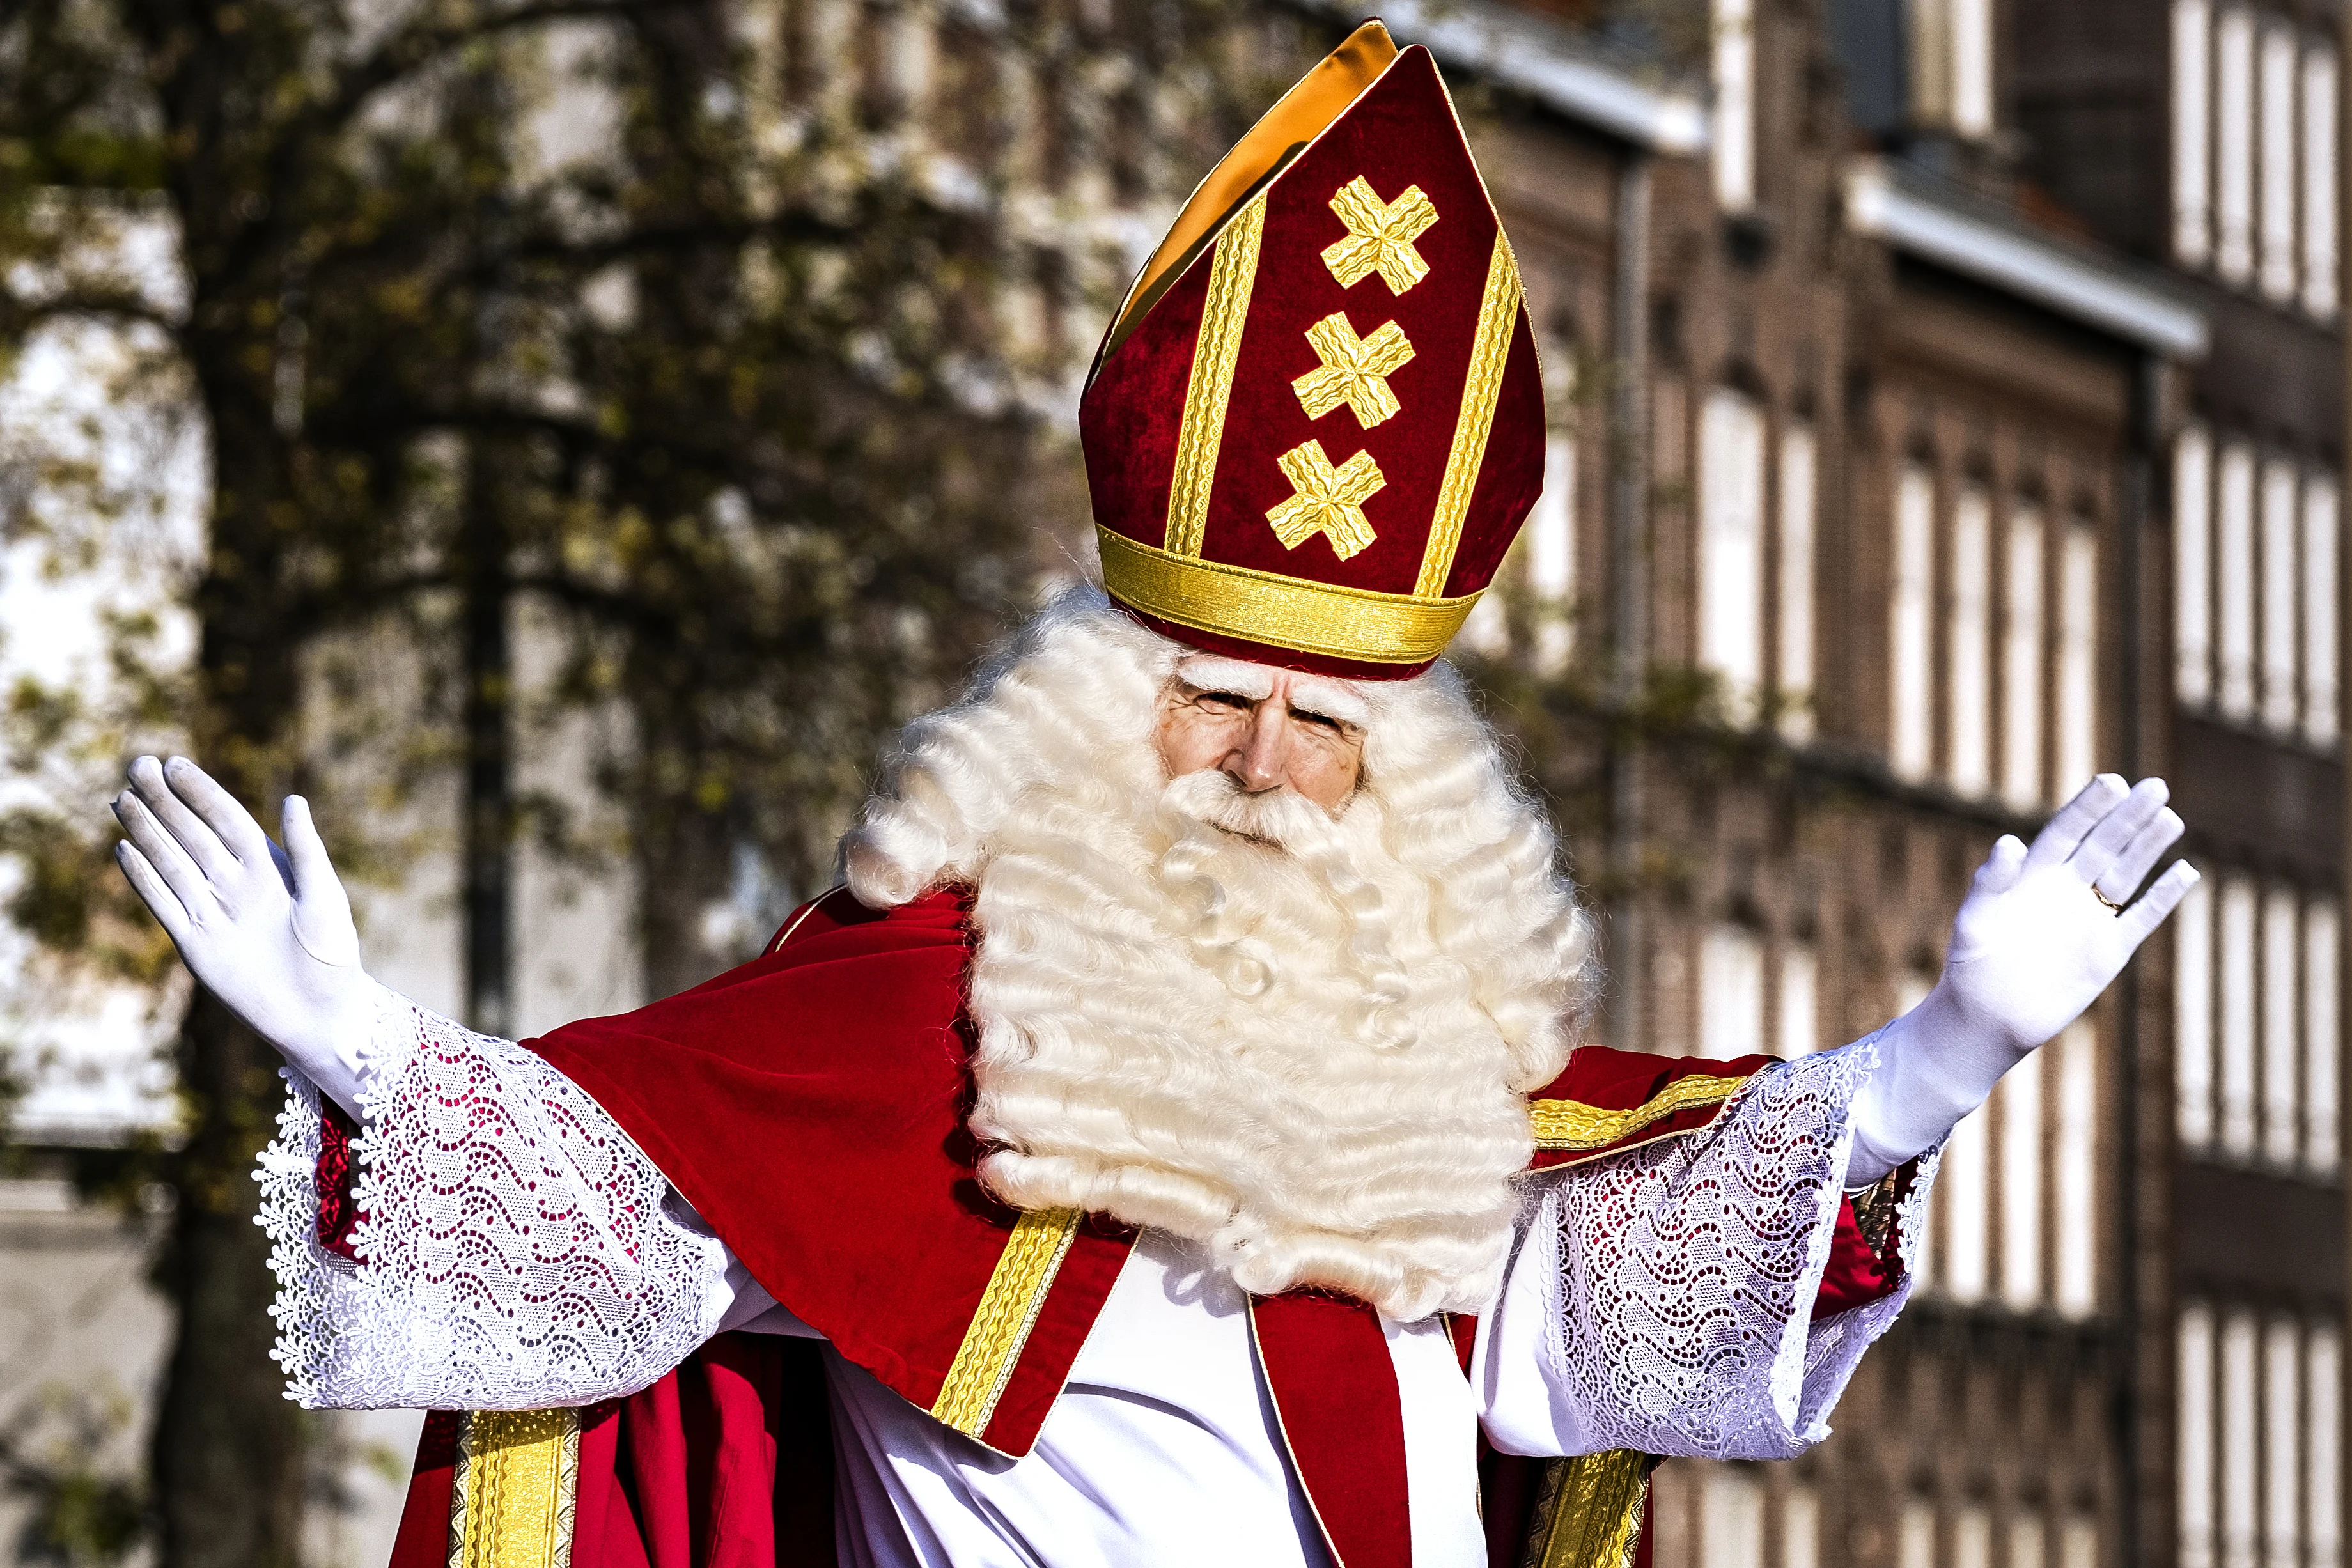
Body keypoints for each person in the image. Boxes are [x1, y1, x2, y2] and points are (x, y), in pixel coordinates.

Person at [106, 23, 2196, 1568]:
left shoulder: (1424, 1106)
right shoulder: (910, 1035)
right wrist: (354, 1043)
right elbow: (617, 1229)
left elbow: (1590, 1330)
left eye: (1334, 730)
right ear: (1096, 714)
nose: (1275, 773)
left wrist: (1946, 1049)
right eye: (1217, 700)